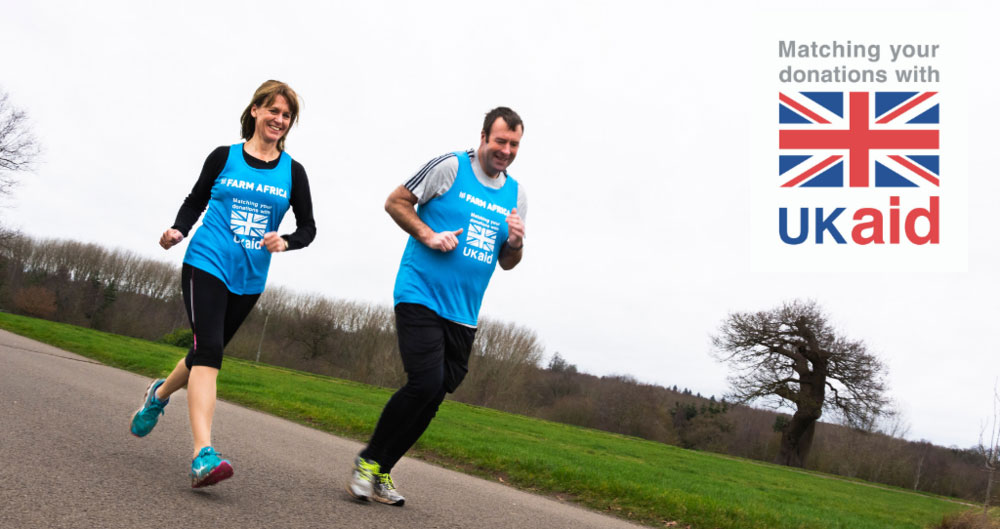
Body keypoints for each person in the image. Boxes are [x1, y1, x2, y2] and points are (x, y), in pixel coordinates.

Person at [129, 80, 316, 488]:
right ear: (255, 111)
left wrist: (286, 241)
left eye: (286, 116)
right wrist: (179, 230)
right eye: (273, 111)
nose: (279, 120)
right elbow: (195, 200)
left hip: (249, 277)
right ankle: (202, 455)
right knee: (210, 351)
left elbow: (309, 228)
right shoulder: (224, 157)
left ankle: (158, 396)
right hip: (206, 261)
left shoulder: (293, 173)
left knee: (203, 352)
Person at [347, 107, 527, 505]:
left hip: (464, 314)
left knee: (435, 395)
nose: (506, 150)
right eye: (500, 141)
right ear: (483, 137)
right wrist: (428, 235)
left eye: (514, 144)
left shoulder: (516, 195)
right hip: (420, 294)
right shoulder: (450, 167)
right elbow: (395, 202)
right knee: (424, 382)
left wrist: (515, 243)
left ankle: (382, 471)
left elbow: (508, 261)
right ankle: (368, 460)